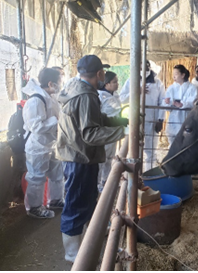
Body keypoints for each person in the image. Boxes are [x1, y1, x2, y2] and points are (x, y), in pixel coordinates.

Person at [55, 55, 128, 263]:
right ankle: (73, 254)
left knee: (85, 201)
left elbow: (94, 118)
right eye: (103, 72)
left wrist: (119, 120)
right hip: (80, 157)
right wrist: (122, 132)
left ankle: (85, 243)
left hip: (77, 155)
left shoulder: (77, 89)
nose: (104, 75)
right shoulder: (86, 96)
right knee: (76, 205)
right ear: (99, 74)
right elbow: (90, 134)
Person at [22, 68, 64, 219]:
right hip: (38, 146)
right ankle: (34, 207)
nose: (61, 84)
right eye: (60, 80)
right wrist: (57, 122)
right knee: (36, 178)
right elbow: (36, 126)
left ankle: (56, 200)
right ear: (51, 83)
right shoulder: (35, 100)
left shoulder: (50, 97)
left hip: (51, 143)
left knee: (56, 174)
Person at [120, 60, 165, 172]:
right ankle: (137, 177)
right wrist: (137, 91)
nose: (143, 70)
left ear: (149, 67)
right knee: (135, 149)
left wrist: (160, 119)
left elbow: (162, 102)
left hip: (152, 119)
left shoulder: (158, 83)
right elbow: (122, 98)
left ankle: (150, 176)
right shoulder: (131, 81)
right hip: (136, 120)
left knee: (151, 150)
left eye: (145, 67)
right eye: (140, 68)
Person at [97, 71, 122, 192]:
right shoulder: (100, 96)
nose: (117, 84)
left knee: (109, 158)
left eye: (117, 81)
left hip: (113, 132)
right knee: (101, 159)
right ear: (106, 84)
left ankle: (105, 181)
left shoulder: (115, 95)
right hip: (104, 132)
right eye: (114, 82)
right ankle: (97, 184)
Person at [163, 64, 197, 146]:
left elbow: (192, 102)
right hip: (173, 119)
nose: (174, 76)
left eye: (176, 74)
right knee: (172, 142)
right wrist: (167, 103)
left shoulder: (192, 88)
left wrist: (182, 104)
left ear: (183, 75)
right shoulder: (171, 88)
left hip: (186, 118)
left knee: (186, 143)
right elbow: (166, 105)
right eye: (173, 74)